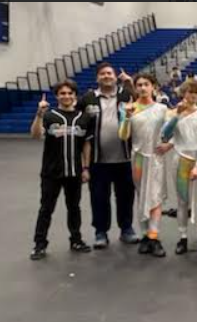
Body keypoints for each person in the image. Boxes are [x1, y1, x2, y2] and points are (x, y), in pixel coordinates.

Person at [29, 80, 94, 260]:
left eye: (69, 93)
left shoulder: (83, 117)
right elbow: (35, 135)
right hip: (51, 173)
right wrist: (39, 114)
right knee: (46, 209)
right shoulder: (49, 116)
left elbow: (86, 145)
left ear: (75, 95)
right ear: (57, 96)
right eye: (62, 93)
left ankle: (76, 240)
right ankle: (39, 244)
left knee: (74, 208)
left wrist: (86, 167)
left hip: (74, 172)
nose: (66, 96)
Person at [77, 62, 138, 249]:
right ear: (97, 78)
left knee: (126, 196)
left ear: (115, 76)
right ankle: (100, 232)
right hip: (98, 160)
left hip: (125, 158)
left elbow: (144, 102)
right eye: (102, 73)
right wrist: (84, 165)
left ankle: (126, 229)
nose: (106, 76)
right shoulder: (87, 99)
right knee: (99, 197)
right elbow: (78, 124)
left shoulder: (126, 95)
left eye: (109, 73)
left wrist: (131, 84)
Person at [118, 73, 171, 257]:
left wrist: (169, 145)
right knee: (142, 196)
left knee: (155, 197)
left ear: (153, 87)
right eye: (139, 84)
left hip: (156, 159)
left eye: (146, 84)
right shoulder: (129, 108)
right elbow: (123, 135)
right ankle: (145, 236)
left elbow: (175, 129)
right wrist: (126, 117)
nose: (142, 88)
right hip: (138, 158)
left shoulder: (163, 109)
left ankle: (154, 236)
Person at [160, 79, 197, 255]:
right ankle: (182, 237)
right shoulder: (172, 113)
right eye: (190, 92)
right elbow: (165, 136)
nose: (193, 96)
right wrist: (176, 116)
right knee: (182, 201)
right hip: (180, 161)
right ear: (183, 93)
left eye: (196, 93)